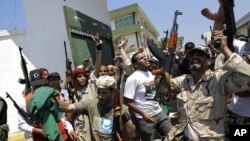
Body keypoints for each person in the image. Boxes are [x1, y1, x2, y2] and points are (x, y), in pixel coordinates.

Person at [59, 75, 137, 141]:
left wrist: (123, 117)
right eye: (98, 92)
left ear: (113, 92)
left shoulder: (122, 108)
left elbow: (132, 135)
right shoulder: (91, 103)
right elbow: (68, 107)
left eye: (104, 93)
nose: (100, 96)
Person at [123, 51, 173, 141]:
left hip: (159, 112)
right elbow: (127, 101)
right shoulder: (132, 79)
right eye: (141, 58)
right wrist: (143, 113)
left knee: (173, 136)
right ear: (135, 65)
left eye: (145, 56)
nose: (145, 58)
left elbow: (149, 94)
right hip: (144, 118)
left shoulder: (150, 73)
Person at [18, 68, 68, 141]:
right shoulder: (24, 101)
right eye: (35, 85)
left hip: (61, 137)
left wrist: (69, 129)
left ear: (46, 82)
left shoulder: (55, 94)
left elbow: (62, 117)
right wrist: (37, 130)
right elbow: (20, 124)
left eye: (41, 84)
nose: (39, 88)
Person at [47, 72, 77, 141]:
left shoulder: (65, 93)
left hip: (68, 124)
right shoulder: (48, 97)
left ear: (59, 81)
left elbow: (66, 115)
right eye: (50, 81)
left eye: (54, 80)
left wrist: (70, 129)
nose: (52, 82)